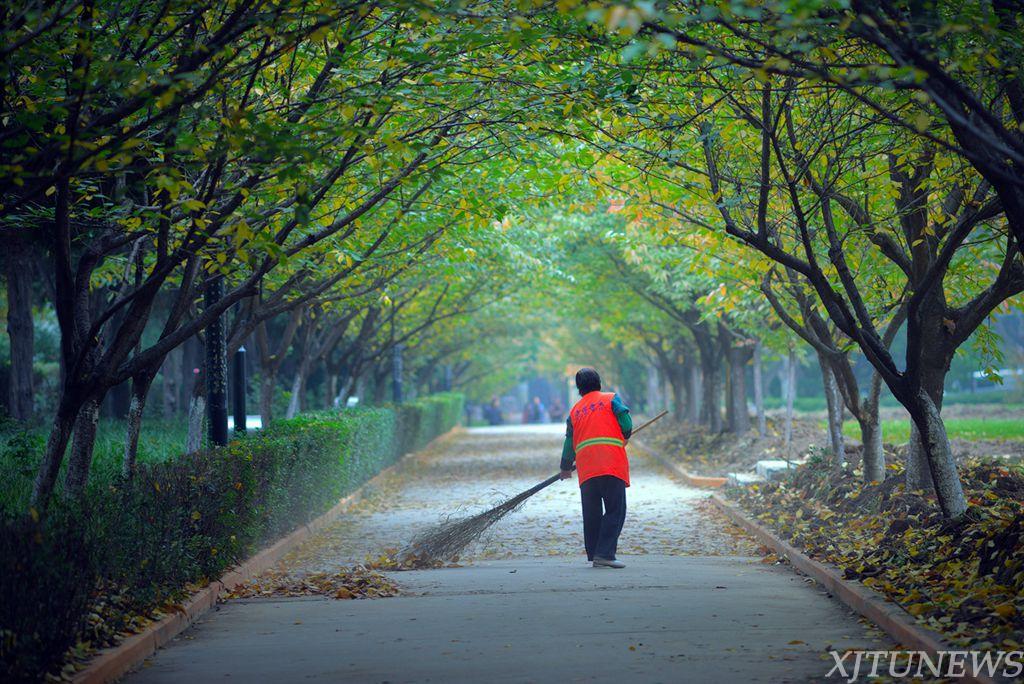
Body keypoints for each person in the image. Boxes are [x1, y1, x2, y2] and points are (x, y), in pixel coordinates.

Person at [559, 367, 632, 569]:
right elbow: (625, 420)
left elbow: (569, 442)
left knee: (591, 513)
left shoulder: (574, 411)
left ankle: (595, 553)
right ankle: (605, 554)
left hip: (587, 468)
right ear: (599, 382)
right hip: (610, 463)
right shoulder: (610, 399)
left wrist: (565, 467)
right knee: (615, 510)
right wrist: (625, 435)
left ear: (579, 389)